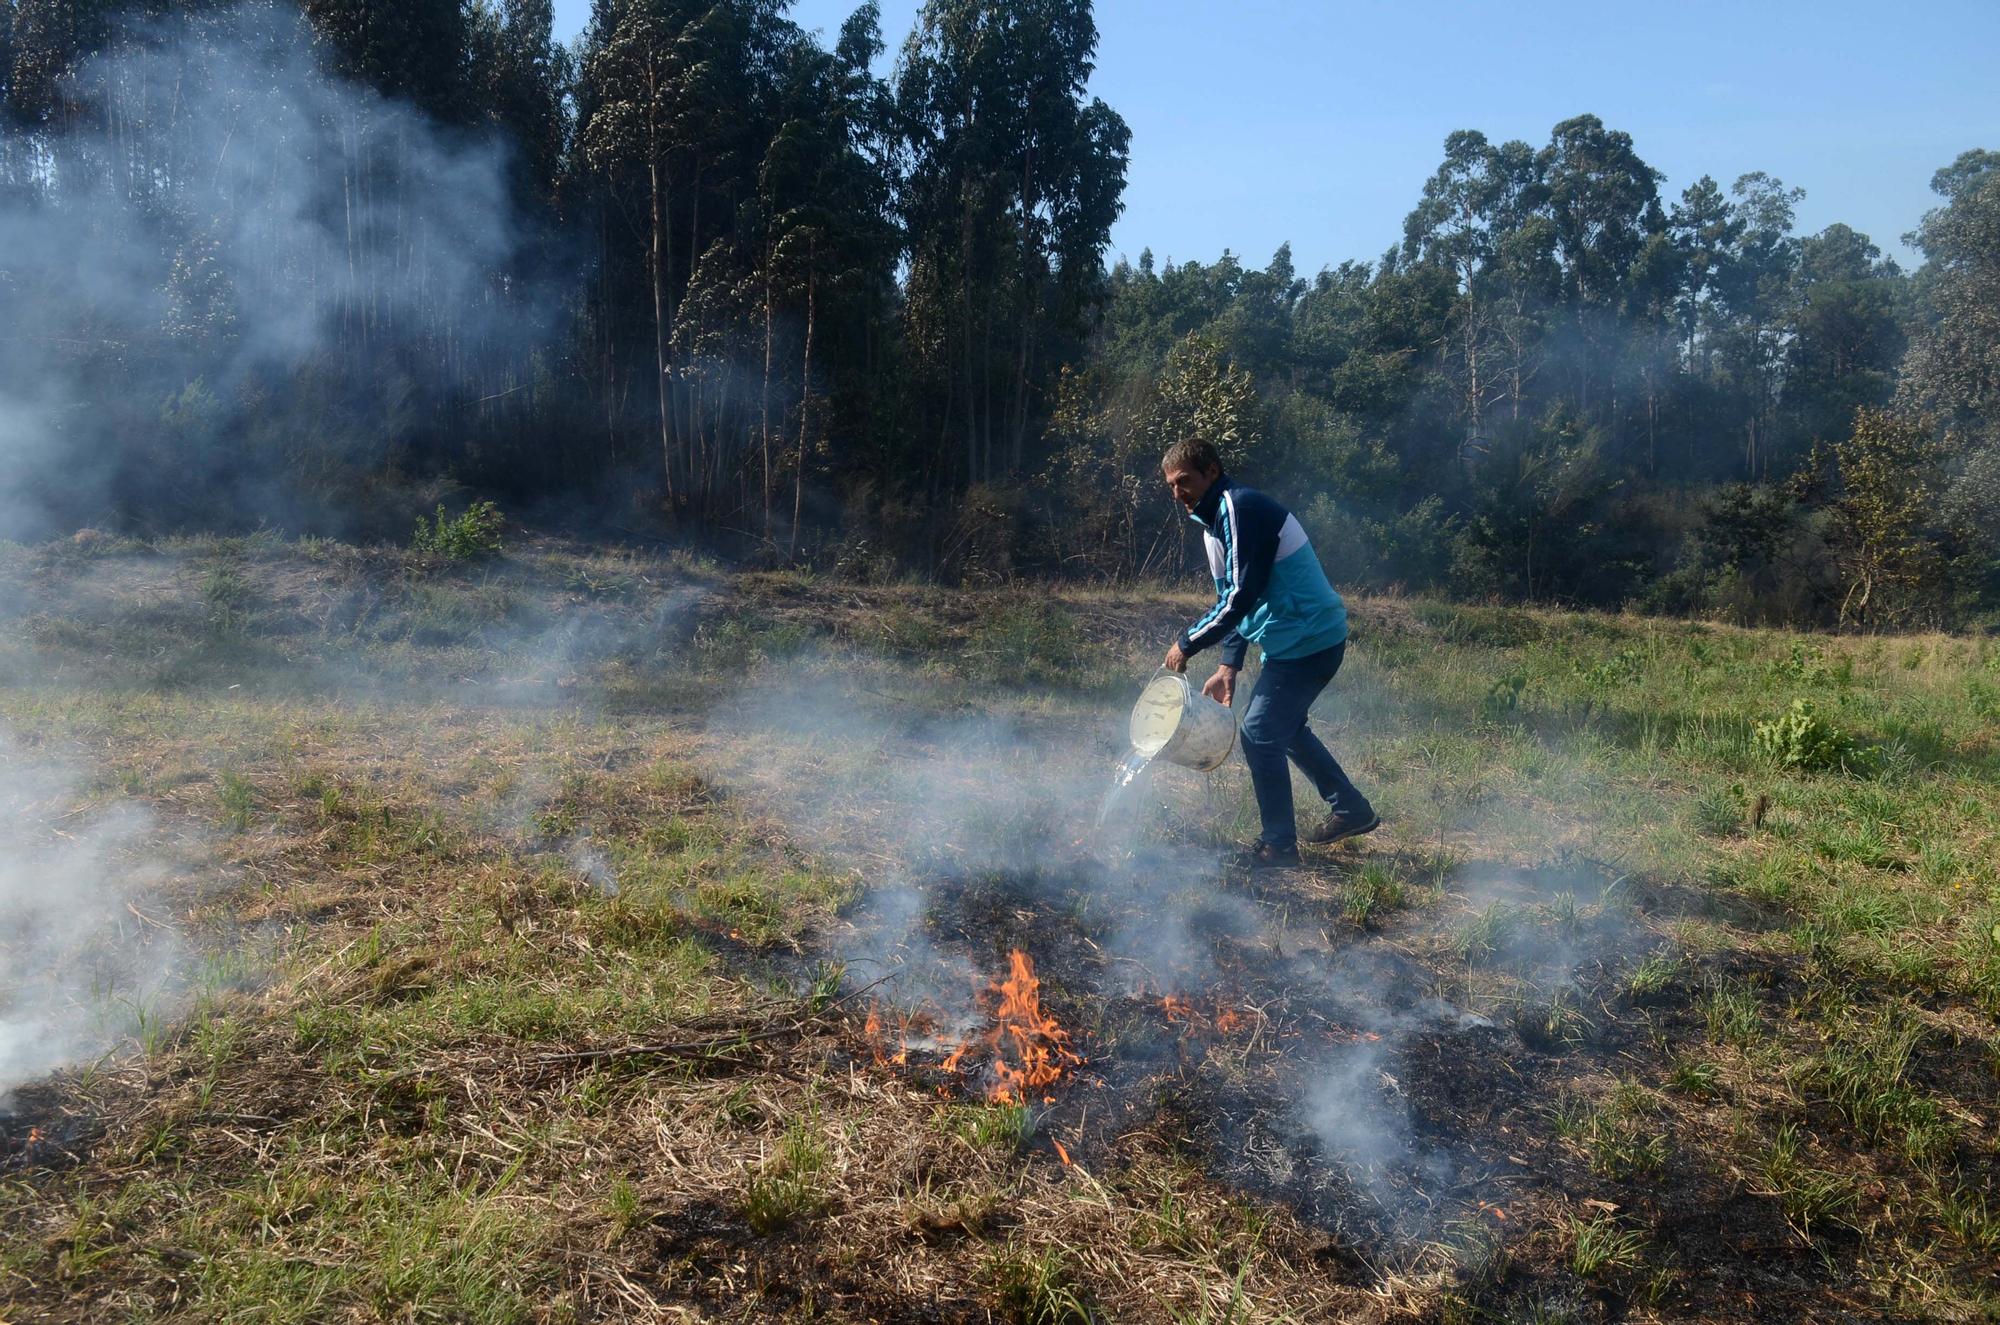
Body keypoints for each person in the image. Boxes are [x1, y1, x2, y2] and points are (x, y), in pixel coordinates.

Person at [1159, 439, 1378, 866]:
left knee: (1260, 731)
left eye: (1183, 480)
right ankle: (1351, 809)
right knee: (1286, 728)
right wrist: (1228, 665)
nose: (1177, 492)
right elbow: (1234, 596)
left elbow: (1240, 597)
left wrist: (1187, 642)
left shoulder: (1240, 509)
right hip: (1292, 642)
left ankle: (1278, 845)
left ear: (1211, 470)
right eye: (1170, 485)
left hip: (1310, 640)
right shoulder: (1214, 523)